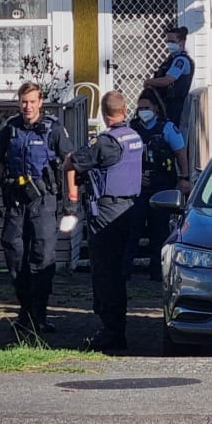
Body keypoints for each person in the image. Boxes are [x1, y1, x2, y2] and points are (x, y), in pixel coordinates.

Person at [0, 81, 77, 335]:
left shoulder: (53, 129)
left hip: (44, 202)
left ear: (40, 102)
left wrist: (71, 201)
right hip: (16, 202)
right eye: (23, 102)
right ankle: (25, 310)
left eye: (32, 101)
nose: (27, 106)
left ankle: (39, 313)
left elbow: (70, 164)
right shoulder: (11, 129)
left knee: (41, 258)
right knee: (14, 254)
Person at [63, 90, 143, 351]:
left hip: (107, 213)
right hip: (130, 209)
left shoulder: (107, 143)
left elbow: (72, 163)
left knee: (106, 274)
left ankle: (112, 332)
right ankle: (115, 327)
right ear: (125, 109)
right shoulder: (134, 137)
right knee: (118, 273)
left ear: (103, 114)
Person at [124, 87, 192, 281]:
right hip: (138, 186)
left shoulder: (167, 128)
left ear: (155, 108)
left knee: (159, 230)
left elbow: (180, 153)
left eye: (146, 107)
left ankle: (157, 272)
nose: (143, 111)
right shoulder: (132, 127)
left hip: (162, 185)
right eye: (140, 108)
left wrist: (184, 178)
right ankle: (125, 271)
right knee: (132, 229)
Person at [143, 26, 194, 130]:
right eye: (167, 41)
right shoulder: (171, 59)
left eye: (172, 41)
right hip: (165, 104)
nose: (169, 44)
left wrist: (149, 82)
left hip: (174, 105)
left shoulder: (181, 61)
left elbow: (168, 80)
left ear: (182, 42)